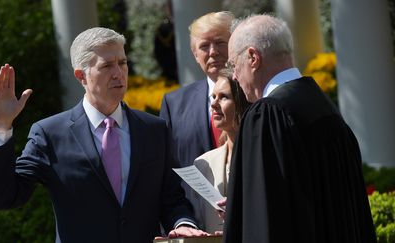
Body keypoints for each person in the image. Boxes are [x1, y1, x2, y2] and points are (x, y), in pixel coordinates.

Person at [0, 27, 208, 243]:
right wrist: (2, 126)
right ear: (81, 76)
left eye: (122, 63)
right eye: (107, 66)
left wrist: (183, 223)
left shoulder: (154, 130)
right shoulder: (50, 134)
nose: (118, 73)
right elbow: (5, 197)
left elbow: (172, 198)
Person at [223, 14, 377, 243]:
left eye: (234, 65)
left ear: (253, 57)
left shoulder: (266, 116)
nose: (234, 77)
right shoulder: (326, 108)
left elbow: (266, 219)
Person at [160, 11, 234, 169]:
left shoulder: (255, 95)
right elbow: (165, 163)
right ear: (195, 55)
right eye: (204, 46)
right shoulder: (174, 104)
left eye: (220, 42)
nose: (213, 51)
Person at [189, 68, 250, 233]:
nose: (214, 104)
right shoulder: (203, 163)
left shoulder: (263, 156)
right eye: (213, 96)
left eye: (224, 97)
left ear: (243, 101)